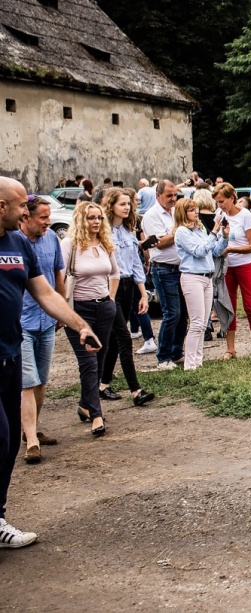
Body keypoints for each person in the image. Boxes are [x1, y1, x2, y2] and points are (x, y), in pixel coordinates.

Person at [0, 176, 100, 548]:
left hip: (9, 356)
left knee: (8, 443)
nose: (27, 212)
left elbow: (44, 291)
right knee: (0, 436)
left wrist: (79, 325)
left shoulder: (18, 244)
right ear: (1, 207)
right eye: (21, 206)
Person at [60, 202, 120, 437]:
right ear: (80, 220)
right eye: (91, 218)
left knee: (100, 359)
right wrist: (63, 311)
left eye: (99, 218)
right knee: (88, 361)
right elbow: (60, 276)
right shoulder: (70, 245)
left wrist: (111, 299)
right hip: (79, 311)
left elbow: (115, 272)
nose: (96, 222)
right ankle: (96, 414)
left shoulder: (105, 243)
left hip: (104, 307)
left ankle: (85, 405)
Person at [15, 197, 64, 463]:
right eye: (43, 218)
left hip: (46, 321)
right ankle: (32, 440)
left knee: (42, 381)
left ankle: (29, 429)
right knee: (28, 382)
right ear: (26, 217)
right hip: (21, 322)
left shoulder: (51, 240)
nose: (48, 222)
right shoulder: (12, 242)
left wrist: (61, 312)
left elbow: (59, 275)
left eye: (49, 217)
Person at [98, 189, 154, 408]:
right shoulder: (103, 231)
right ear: (111, 205)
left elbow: (135, 264)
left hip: (129, 284)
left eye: (128, 204)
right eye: (122, 204)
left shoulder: (130, 230)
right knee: (123, 337)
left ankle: (102, 384)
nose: (127, 207)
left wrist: (142, 293)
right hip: (110, 286)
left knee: (113, 339)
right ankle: (135, 390)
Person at [173, 198, 229, 370]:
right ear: (183, 213)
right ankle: (190, 364)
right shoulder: (182, 232)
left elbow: (215, 251)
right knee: (197, 322)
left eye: (196, 209)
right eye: (191, 210)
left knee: (204, 323)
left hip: (207, 276)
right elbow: (198, 251)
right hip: (192, 277)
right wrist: (214, 232)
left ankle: (198, 360)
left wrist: (224, 237)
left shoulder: (199, 229)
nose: (195, 212)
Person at [215, 182, 251, 358]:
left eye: (222, 201)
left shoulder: (245, 216)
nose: (220, 205)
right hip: (227, 266)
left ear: (231, 198)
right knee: (229, 306)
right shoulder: (220, 215)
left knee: (250, 305)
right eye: (217, 202)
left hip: (246, 264)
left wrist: (231, 249)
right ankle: (230, 348)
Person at [141, 179, 185, 369]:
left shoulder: (176, 212)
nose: (173, 199)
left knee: (183, 313)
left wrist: (177, 233)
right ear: (158, 195)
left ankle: (177, 351)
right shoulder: (151, 215)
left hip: (181, 267)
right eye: (169, 196)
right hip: (163, 268)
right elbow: (158, 242)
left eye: (175, 195)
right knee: (171, 313)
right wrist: (181, 232)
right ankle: (163, 356)